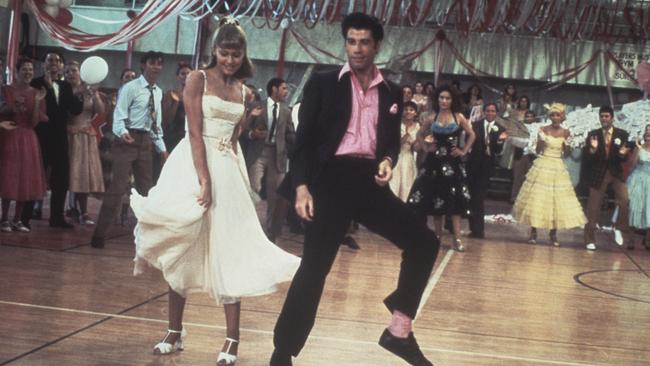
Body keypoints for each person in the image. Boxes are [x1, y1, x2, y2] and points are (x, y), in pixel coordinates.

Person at [270, 13, 439, 366]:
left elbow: (389, 142)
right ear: (345, 43)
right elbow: (304, 143)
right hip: (328, 182)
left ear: (377, 45)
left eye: (364, 42)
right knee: (314, 269)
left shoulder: (391, 91)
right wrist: (301, 187)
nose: (357, 49)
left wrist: (388, 161)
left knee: (424, 242)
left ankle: (399, 330)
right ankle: (283, 353)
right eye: (351, 41)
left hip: (367, 182)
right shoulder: (323, 82)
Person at [130, 19, 299, 365]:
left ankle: (232, 340)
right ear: (215, 51)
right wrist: (204, 179)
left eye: (236, 54)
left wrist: (231, 173)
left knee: (230, 251)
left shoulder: (243, 89)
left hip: (227, 168)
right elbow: (194, 133)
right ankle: (174, 332)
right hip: (193, 166)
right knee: (182, 246)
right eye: (224, 53)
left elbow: (234, 138)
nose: (230, 60)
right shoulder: (198, 79)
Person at [90, 51, 168, 249]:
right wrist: (122, 132)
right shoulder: (131, 88)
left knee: (147, 191)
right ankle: (99, 235)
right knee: (117, 189)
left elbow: (156, 124)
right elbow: (118, 115)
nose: (156, 67)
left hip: (145, 143)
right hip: (127, 141)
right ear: (144, 65)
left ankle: (150, 238)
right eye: (152, 63)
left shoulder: (158, 92)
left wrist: (162, 149)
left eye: (159, 64)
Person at [408, 85, 476, 252]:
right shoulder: (431, 117)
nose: (444, 101)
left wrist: (463, 150)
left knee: (454, 202)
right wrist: (425, 147)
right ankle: (437, 236)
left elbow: (472, 135)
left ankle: (457, 238)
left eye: (448, 98)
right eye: (441, 98)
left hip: (453, 163)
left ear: (453, 100)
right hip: (434, 162)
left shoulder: (458, 117)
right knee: (436, 200)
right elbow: (419, 134)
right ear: (437, 99)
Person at [22, 51, 83, 229]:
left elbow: (75, 110)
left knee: (62, 178)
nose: (53, 63)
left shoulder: (65, 86)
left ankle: (56, 217)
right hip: (40, 137)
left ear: (62, 66)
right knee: (34, 176)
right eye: (49, 60)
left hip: (60, 138)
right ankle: (24, 217)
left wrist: (83, 94)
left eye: (57, 60)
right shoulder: (36, 83)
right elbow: (45, 111)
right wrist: (48, 88)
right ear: (44, 64)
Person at [512, 103, 586, 246]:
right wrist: (540, 140)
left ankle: (553, 234)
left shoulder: (566, 132)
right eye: (552, 115)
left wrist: (568, 145)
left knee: (555, 200)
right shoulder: (543, 129)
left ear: (562, 116)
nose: (555, 117)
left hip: (558, 166)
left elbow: (566, 154)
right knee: (537, 198)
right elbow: (538, 151)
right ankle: (533, 232)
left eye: (557, 115)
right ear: (549, 116)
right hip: (543, 164)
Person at [0, 58, 48, 233]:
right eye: (24, 69)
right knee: (9, 176)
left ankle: (17, 219)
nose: (28, 72)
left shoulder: (37, 92)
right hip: (10, 134)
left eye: (30, 70)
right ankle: (4, 218)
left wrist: (36, 101)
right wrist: (14, 106)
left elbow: (35, 122)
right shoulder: (7, 89)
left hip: (28, 137)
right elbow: (2, 111)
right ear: (17, 71)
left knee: (25, 177)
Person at [245, 77, 295, 242]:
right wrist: (253, 134)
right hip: (258, 152)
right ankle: (246, 227)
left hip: (278, 155)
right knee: (253, 189)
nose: (286, 92)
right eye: (284, 88)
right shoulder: (255, 106)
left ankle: (272, 233)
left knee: (277, 195)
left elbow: (290, 133)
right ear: (274, 89)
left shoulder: (286, 111)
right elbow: (243, 129)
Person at [582, 106, 632, 250]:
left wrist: (623, 153)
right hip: (598, 173)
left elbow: (624, 156)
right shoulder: (593, 134)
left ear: (612, 118)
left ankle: (618, 228)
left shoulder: (622, 134)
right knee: (593, 207)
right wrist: (593, 149)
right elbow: (587, 158)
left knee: (624, 199)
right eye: (602, 116)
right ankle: (589, 239)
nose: (604, 119)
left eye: (606, 116)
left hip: (615, 172)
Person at [64, 61, 106, 225]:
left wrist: (95, 94)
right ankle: (67, 208)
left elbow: (101, 112)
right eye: (67, 71)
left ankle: (84, 212)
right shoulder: (63, 90)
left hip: (86, 136)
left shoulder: (88, 91)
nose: (70, 74)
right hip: (69, 134)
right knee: (68, 173)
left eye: (73, 71)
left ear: (80, 73)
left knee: (83, 175)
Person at [466, 103, 508, 238]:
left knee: (479, 198)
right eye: (488, 111)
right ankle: (473, 228)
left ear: (496, 113)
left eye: (493, 111)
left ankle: (478, 230)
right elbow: (468, 142)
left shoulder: (501, 129)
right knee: (471, 197)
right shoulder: (475, 125)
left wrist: (501, 141)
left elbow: (498, 151)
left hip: (486, 167)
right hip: (472, 165)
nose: (490, 113)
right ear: (484, 112)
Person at [389, 100, 420, 202]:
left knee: (407, 188)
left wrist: (418, 142)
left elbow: (416, 147)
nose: (408, 112)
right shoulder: (397, 125)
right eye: (406, 109)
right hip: (396, 157)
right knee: (393, 186)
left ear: (415, 113)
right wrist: (404, 137)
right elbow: (393, 143)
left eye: (411, 110)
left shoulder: (418, 127)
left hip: (408, 158)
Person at [626, 124, 650, 250]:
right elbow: (631, 165)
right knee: (634, 207)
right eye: (646, 132)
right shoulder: (639, 149)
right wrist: (637, 149)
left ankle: (648, 239)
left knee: (649, 208)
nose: (648, 134)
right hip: (638, 179)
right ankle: (631, 239)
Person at [510, 110, 538, 202]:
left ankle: (527, 200)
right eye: (527, 116)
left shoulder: (538, 128)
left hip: (532, 155)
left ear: (534, 118)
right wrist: (527, 142)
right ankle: (514, 197)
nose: (529, 118)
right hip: (520, 154)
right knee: (517, 177)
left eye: (531, 116)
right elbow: (513, 140)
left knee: (530, 178)